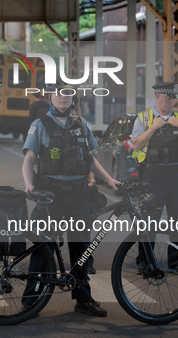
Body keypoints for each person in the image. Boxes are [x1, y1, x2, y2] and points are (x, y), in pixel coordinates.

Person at [22, 86, 119, 317]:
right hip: (51, 194)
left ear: (72, 97)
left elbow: (90, 159)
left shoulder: (81, 124)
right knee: (42, 246)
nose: (63, 97)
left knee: (81, 247)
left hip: (78, 194)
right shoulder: (39, 125)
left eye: (67, 93)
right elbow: (29, 159)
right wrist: (29, 184)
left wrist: (109, 179)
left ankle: (83, 299)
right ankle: (31, 300)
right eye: (58, 93)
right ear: (50, 97)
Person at [131, 82, 178, 276]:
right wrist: (153, 128)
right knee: (149, 221)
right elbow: (135, 145)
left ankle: (176, 261)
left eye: (172, 98)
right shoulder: (144, 118)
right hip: (154, 176)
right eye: (166, 97)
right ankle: (145, 261)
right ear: (157, 97)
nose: (169, 101)